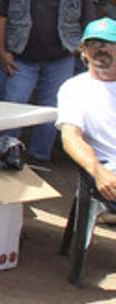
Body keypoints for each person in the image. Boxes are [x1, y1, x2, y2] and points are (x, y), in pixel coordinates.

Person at [0, 0, 98, 162]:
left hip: (60, 59)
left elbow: (88, 26)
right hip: (21, 58)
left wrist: (84, 55)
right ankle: (4, 153)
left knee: (51, 108)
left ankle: (39, 157)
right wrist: (2, 51)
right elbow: (1, 20)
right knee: (13, 103)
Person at [57, 19, 116, 215]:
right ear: (83, 51)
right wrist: (99, 172)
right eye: (94, 44)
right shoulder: (75, 88)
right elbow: (71, 138)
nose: (102, 49)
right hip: (109, 168)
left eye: (109, 43)